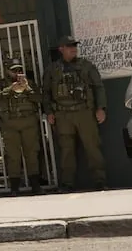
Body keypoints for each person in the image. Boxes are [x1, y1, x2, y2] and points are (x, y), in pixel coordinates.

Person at [42, 35, 107, 192]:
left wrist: (101, 108)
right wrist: (49, 112)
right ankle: (67, 183)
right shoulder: (52, 69)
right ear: (61, 49)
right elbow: (46, 92)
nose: (73, 49)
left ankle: (100, 181)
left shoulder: (86, 66)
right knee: (66, 150)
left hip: (84, 112)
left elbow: (98, 87)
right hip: (63, 115)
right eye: (69, 46)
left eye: (75, 46)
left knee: (92, 147)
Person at [0, 59, 43, 196]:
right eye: (14, 70)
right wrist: (10, 89)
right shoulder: (1, 84)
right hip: (10, 126)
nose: (17, 73)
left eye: (19, 70)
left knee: (32, 154)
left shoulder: (29, 82)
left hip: (29, 125)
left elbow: (39, 99)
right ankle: (14, 187)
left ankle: (35, 185)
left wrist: (27, 88)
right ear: (7, 71)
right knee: (13, 156)